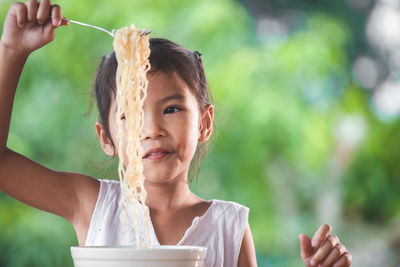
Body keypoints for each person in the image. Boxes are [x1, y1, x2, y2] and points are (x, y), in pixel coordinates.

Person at [0, 1, 352, 266]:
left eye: (171, 109)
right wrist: (11, 52)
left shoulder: (229, 226)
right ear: (106, 138)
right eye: (130, 115)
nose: (151, 130)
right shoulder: (91, 205)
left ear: (204, 122)